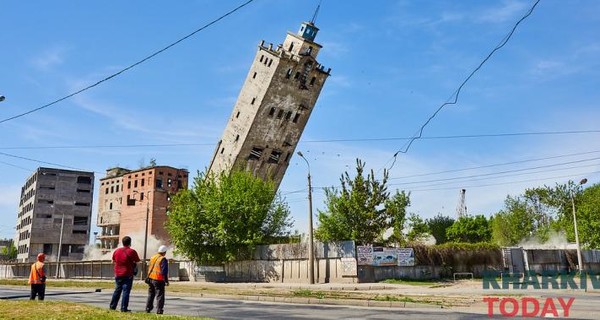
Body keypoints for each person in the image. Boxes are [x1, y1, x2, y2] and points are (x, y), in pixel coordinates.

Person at [109, 236, 140, 312]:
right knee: (126, 291)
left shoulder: (116, 251)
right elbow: (138, 262)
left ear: (122, 242)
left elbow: (113, 261)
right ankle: (124, 308)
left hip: (118, 274)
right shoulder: (132, 251)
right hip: (128, 274)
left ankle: (112, 306)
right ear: (130, 242)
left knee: (117, 290)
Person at [145, 245, 169, 314]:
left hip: (151, 278)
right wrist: (166, 281)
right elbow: (164, 271)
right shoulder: (162, 259)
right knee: (160, 295)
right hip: (158, 279)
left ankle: (148, 308)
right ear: (164, 252)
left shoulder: (153, 257)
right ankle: (159, 310)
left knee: (151, 294)